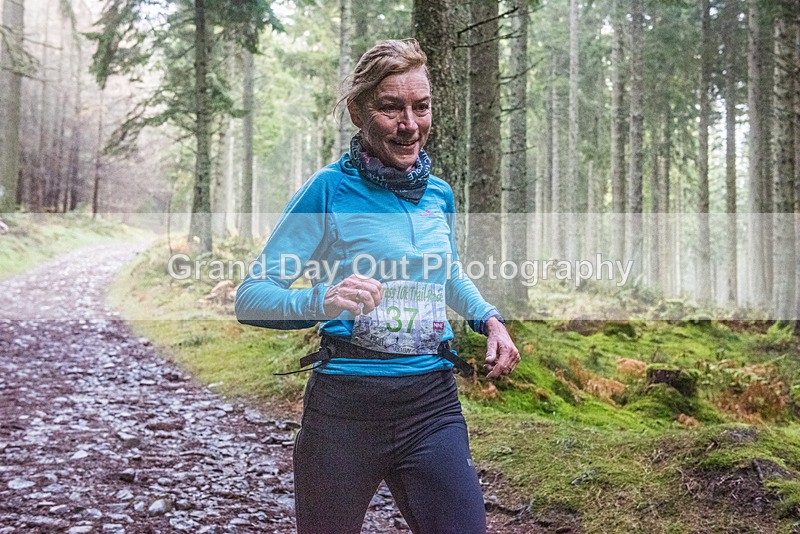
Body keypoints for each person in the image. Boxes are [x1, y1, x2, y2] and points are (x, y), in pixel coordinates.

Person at [235, 38, 520, 534]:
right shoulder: (328, 190)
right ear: (358, 110)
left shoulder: (438, 194)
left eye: (421, 107)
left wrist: (488, 318)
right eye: (391, 108)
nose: (410, 124)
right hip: (345, 411)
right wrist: (318, 300)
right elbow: (251, 296)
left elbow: (445, 271)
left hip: (431, 405)